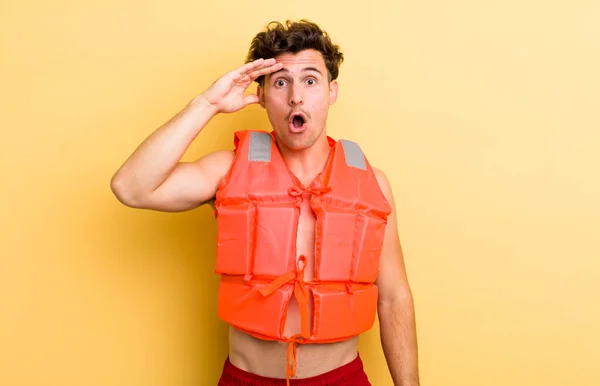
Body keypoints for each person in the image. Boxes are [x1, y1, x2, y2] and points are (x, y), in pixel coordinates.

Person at [110, 20, 419, 386]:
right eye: (281, 82)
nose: (296, 98)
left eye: (309, 80)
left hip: (341, 378)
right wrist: (207, 103)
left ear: (331, 91)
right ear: (261, 94)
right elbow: (131, 187)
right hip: (246, 379)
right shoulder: (227, 170)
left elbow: (395, 298)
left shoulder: (373, 184)